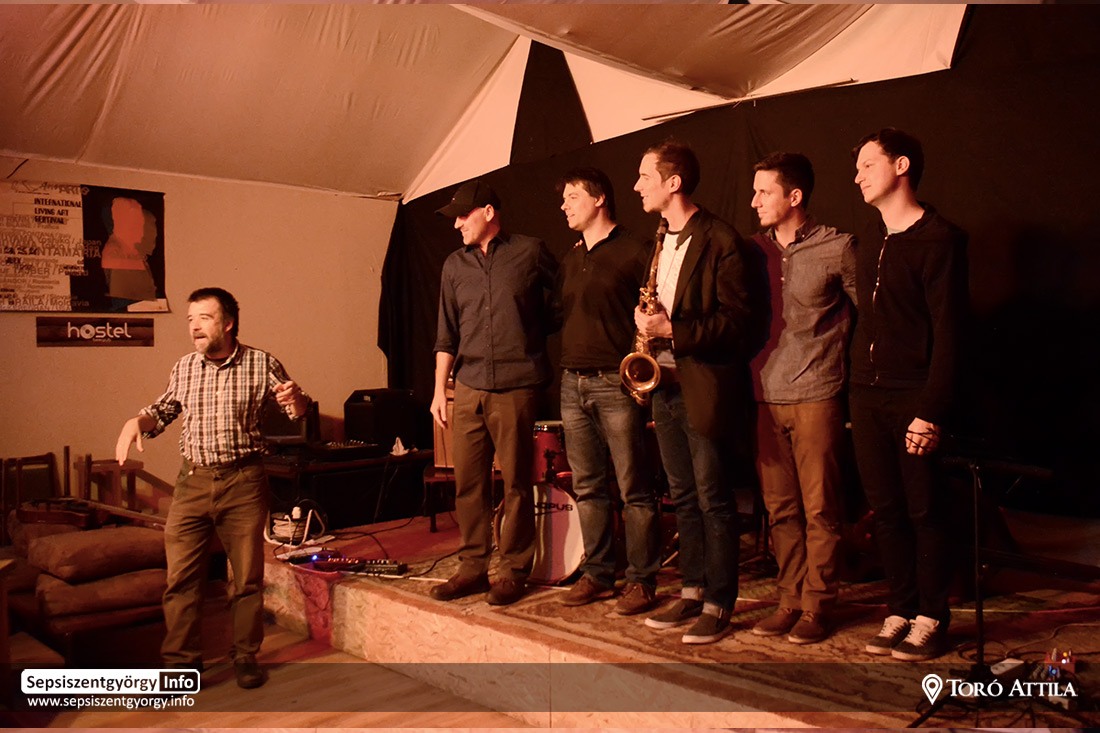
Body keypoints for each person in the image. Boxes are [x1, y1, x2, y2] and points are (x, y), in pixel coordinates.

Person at [115, 287, 309, 689]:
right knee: (181, 579)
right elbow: (162, 412)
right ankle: (181, 663)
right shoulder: (185, 367)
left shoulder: (261, 363)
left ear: (228, 323)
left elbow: (295, 410)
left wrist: (298, 401)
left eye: (204, 318)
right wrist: (136, 422)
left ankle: (245, 656)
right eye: (190, 319)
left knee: (246, 579)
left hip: (243, 481)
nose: (194, 327)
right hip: (193, 483)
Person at [849, 128, 968, 661]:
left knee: (925, 511)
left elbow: (950, 333)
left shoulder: (940, 239)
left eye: (867, 165)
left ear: (901, 166)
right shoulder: (869, 236)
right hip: (866, 394)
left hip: (914, 397)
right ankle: (899, 609)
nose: (857, 176)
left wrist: (930, 411)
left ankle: (931, 617)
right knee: (885, 510)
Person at [631, 141, 753, 644]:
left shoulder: (720, 239)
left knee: (712, 497)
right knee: (681, 495)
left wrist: (672, 331)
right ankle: (692, 590)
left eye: (645, 177)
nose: (637, 186)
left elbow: (738, 322)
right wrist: (645, 322)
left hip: (702, 386)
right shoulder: (660, 239)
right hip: (663, 384)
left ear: (673, 182)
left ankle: (719, 602)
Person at [429, 179, 557, 606]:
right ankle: (472, 568)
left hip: (517, 385)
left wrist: (530, 335)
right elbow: (446, 332)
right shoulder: (454, 266)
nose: (457, 225)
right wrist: (439, 391)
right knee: (468, 482)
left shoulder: (530, 252)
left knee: (517, 481)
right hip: (467, 386)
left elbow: (564, 300)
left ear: (488, 212)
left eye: (463, 216)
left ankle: (514, 570)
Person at [747, 152, 856, 645]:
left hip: (817, 394)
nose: (754, 201)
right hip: (764, 396)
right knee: (781, 510)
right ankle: (789, 599)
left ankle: (817, 605)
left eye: (763, 192)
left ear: (794, 196)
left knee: (820, 509)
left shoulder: (839, 247)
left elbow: (872, 314)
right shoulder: (751, 251)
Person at [553, 167, 661, 615]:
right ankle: (598, 573)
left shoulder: (635, 249)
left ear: (599, 199)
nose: (564, 205)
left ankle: (641, 580)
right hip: (571, 383)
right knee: (588, 486)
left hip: (615, 384)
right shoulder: (571, 257)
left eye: (572, 196)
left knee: (634, 487)